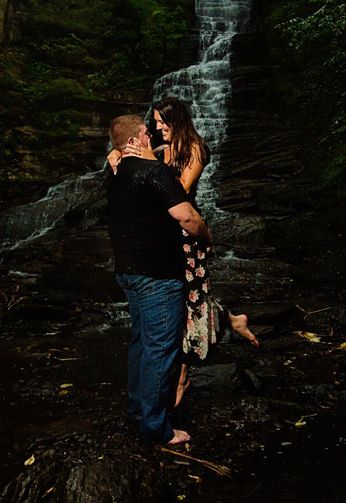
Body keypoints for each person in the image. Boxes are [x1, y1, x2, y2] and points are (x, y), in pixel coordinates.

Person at [109, 97, 258, 408]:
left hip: (187, 234)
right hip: (162, 236)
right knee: (185, 300)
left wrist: (148, 159)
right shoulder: (161, 150)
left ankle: (182, 377)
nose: (158, 127)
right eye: (156, 123)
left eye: (164, 122)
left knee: (189, 302)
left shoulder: (196, 149)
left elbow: (182, 189)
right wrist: (118, 153)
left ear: (178, 120)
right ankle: (231, 320)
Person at [106, 114, 211, 445]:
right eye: (145, 131)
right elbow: (188, 217)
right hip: (158, 274)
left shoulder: (117, 173)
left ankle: (137, 409)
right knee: (161, 349)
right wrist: (206, 237)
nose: (150, 134)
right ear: (136, 140)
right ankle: (156, 428)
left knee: (141, 341)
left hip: (128, 271)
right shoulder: (153, 171)